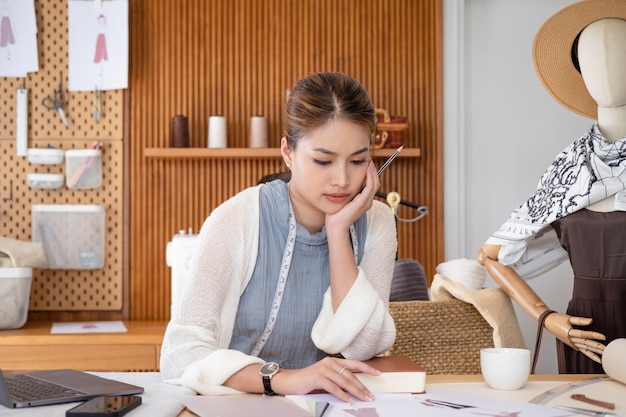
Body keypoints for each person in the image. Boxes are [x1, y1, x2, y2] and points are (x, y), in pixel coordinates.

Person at [160, 71, 398, 401]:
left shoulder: (377, 222)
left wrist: (338, 229)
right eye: (323, 160)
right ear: (288, 152)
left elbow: (365, 344)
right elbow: (179, 355)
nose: (343, 179)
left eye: (358, 160)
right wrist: (282, 379)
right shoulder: (236, 219)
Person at [477, 0, 626, 374]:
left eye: (620, 51)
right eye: (592, 56)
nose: (606, 66)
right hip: (584, 334)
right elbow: (491, 255)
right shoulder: (568, 170)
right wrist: (546, 317)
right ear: (580, 72)